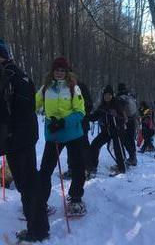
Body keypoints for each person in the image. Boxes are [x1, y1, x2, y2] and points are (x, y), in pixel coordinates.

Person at [0, 39, 49, 242]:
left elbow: (4, 112)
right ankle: (39, 226)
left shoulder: (7, 75)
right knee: (30, 182)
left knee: (26, 184)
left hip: (16, 138)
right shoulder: (19, 73)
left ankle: (36, 230)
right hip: (25, 137)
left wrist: (7, 137)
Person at [36, 57, 86, 216]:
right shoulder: (46, 88)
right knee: (45, 170)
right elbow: (32, 104)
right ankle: (40, 202)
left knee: (78, 167)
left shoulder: (73, 88)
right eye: (57, 70)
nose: (59, 73)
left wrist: (63, 122)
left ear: (67, 72)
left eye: (62, 70)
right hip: (54, 134)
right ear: (52, 71)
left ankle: (76, 198)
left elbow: (80, 112)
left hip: (72, 133)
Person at [89, 85, 126, 176]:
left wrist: (116, 115)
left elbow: (123, 118)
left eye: (109, 95)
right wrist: (85, 116)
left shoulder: (116, 105)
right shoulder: (102, 107)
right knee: (94, 145)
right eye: (106, 95)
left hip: (116, 131)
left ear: (112, 95)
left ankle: (121, 168)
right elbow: (94, 117)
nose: (107, 96)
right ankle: (93, 166)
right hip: (106, 132)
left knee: (118, 149)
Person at [62, 79, 93, 180]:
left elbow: (89, 104)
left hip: (81, 121)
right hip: (70, 123)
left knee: (83, 145)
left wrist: (80, 112)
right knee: (70, 145)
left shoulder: (80, 86)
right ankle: (72, 168)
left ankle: (87, 169)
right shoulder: (62, 87)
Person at [116, 83, 138, 166]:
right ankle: (133, 157)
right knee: (131, 139)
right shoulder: (130, 96)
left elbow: (121, 110)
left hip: (125, 120)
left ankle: (127, 158)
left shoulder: (120, 97)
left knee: (124, 140)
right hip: (133, 119)